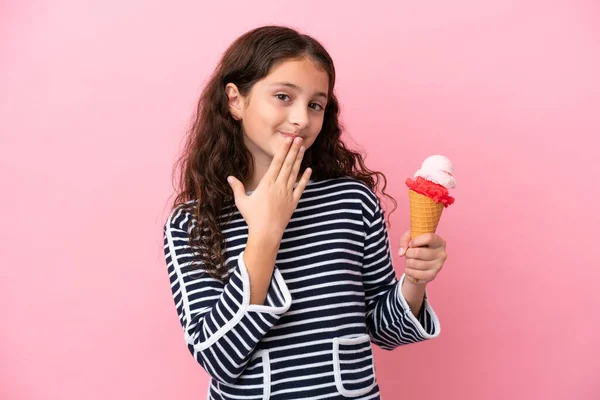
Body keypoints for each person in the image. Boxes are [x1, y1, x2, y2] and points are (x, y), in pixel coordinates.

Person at [163, 25, 448, 400]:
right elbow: (217, 358)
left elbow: (382, 329)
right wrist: (265, 235)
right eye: (283, 96)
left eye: (315, 104)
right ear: (235, 100)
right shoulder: (192, 223)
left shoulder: (352, 201)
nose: (301, 119)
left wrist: (415, 279)